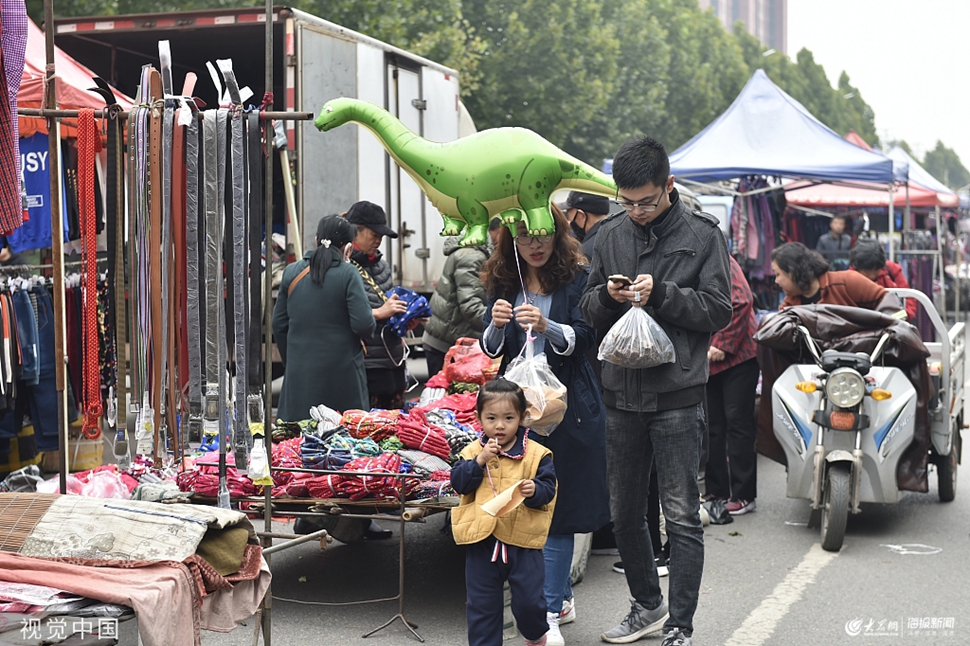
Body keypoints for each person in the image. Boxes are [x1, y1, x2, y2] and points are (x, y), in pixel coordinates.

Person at [580, 136, 732, 646]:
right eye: (627, 202)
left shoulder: (703, 234)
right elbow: (587, 308)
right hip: (620, 395)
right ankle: (646, 604)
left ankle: (680, 626)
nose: (637, 212)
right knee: (624, 513)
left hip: (678, 397)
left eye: (646, 201)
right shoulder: (608, 234)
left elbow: (719, 309)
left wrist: (663, 294)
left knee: (682, 517)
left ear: (669, 185)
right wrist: (608, 295)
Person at [481, 205, 610, 646]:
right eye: (524, 236)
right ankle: (560, 598)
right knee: (524, 503)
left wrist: (548, 325)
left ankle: (550, 611)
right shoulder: (504, 279)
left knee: (557, 510)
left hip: (566, 408)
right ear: (511, 240)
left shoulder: (577, 276)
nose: (534, 245)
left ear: (558, 234)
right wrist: (496, 324)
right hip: (518, 411)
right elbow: (491, 347)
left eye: (542, 235)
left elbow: (585, 337)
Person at [451, 378, 558, 646]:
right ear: (479, 418)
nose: (499, 426)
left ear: (522, 418)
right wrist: (479, 461)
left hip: (523, 542)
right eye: (491, 418)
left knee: (530, 603)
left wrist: (536, 490)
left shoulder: (537, 454)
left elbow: (549, 489)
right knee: (482, 607)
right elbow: (459, 483)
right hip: (482, 541)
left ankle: (535, 634)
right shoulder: (471, 452)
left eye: (508, 418)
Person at [273, 215, 375, 421]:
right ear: (348, 248)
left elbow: (278, 324)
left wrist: (293, 361)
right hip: (344, 378)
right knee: (343, 435)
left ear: (316, 240)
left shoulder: (292, 272)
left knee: (298, 436)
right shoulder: (348, 273)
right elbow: (364, 324)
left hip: (300, 377)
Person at [705, 255, 760, 516]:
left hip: (740, 354)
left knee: (738, 423)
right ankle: (716, 492)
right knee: (712, 425)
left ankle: (744, 495)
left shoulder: (718, 257)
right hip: (707, 357)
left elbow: (741, 300)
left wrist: (722, 343)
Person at [345, 201, 411, 409]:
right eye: (374, 235)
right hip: (367, 364)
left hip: (393, 360)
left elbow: (388, 305)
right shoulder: (343, 268)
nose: (378, 241)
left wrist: (405, 319)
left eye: (381, 236)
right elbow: (339, 314)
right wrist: (379, 313)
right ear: (355, 232)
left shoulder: (382, 266)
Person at [423, 220, 501, 377]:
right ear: (498, 230)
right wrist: (500, 324)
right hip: (447, 345)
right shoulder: (472, 257)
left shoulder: (475, 252)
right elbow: (471, 306)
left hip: (448, 339)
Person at [771, 242, 896, 311]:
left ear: (793, 272)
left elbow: (888, 301)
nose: (776, 281)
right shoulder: (790, 305)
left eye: (778, 274)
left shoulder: (847, 281)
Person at [849, 240, 918, 321]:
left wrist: (903, 317)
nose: (871, 275)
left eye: (875, 270)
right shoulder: (849, 278)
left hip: (893, 322)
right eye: (867, 271)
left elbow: (908, 297)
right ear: (856, 266)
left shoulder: (892, 269)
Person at [563, 191, 611, 259]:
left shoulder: (585, 254)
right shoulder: (618, 236)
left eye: (568, 216)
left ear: (581, 216)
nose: (569, 222)